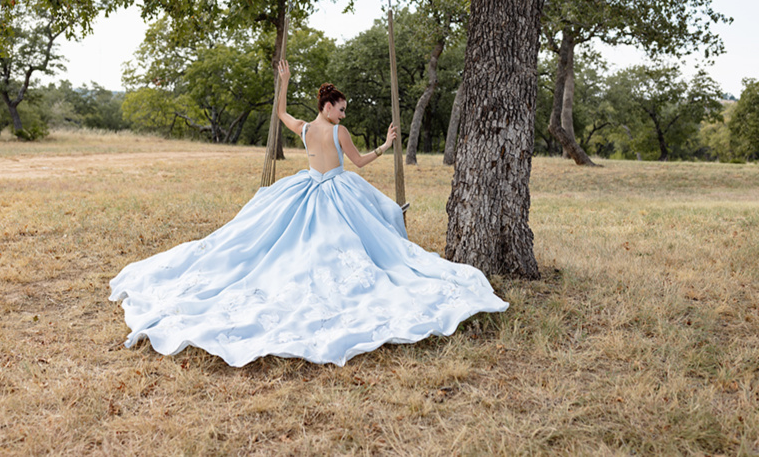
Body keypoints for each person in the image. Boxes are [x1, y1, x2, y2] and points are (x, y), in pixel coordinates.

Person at [109, 60, 508, 367]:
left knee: (300, 243)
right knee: (367, 230)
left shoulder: (304, 129)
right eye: (342, 109)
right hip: (335, 189)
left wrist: (282, 84)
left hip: (307, 186)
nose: (344, 115)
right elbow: (361, 164)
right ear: (329, 106)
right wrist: (387, 146)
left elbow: (280, 115)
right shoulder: (337, 132)